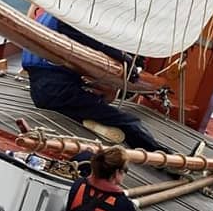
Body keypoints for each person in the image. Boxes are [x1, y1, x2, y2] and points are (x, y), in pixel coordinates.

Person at [21, 10, 171, 152]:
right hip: (59, 92)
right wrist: (124, 59)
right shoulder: (66, 20)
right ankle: (164, 157)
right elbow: (89, 41)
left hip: (41, 90)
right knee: (128, 122)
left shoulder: (48, 16)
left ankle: (91, 118)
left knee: (94, 103)